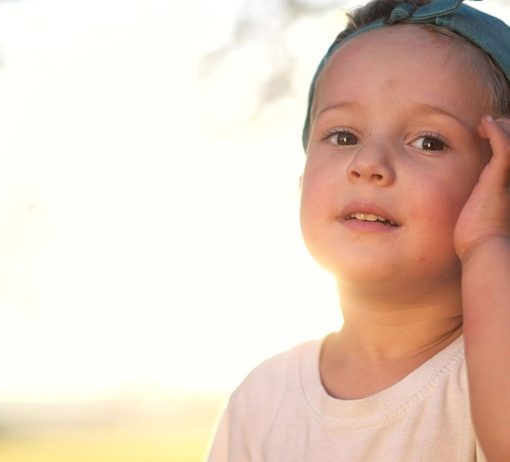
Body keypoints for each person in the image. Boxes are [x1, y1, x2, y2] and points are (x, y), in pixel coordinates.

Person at [207, 0, 510, 460]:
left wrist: (489, 241)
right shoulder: (262, 400)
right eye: (343, 136)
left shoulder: (483, 383)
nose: (368, 164)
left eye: (428, 141)